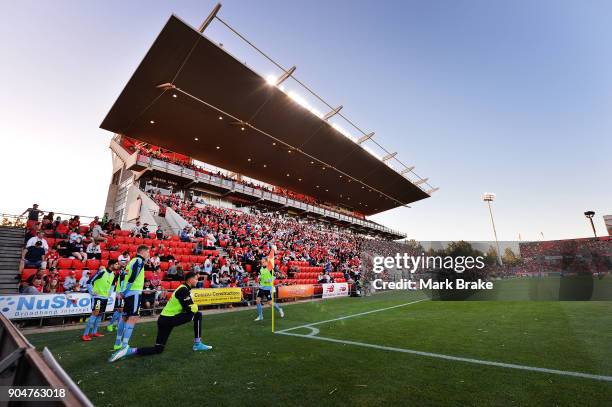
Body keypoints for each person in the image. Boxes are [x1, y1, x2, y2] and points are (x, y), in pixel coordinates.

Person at [109, 271, 212, 362]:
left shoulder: (184, 289)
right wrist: (194, 306)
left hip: (163, 319)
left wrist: (192, 306)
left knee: (158, 349)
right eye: (196, 278)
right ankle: (197, 344)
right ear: (190, 280)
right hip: (169, 319)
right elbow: (190, 309)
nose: (197, 280)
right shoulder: (183, 290)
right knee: (198, 314)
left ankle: (128, 351)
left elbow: (187, 307)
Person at [112, 245, 150, 350]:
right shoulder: (139, 261)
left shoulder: (132, 261)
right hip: (134, 293)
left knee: (124, 317)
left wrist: (121, 291)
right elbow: (133, 277)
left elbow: (122, 276)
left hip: (128, 294)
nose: (148, 254)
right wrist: (125, 290)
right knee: (132, 317)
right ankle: (124, 345)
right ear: (143, 252)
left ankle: (117, 343)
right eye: (148, 252)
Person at [82, 265, 115, 341]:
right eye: (101, 268)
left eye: (103, 268)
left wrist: (110, 292)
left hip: (105, 298)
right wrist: (92, 292)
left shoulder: (112, 274)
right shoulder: (99, 274)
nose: (102, 269)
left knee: (100, 315)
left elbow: (113, 284)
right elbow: (89, 282)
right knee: (94, 315)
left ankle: (94, 332)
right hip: (97, 298)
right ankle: (85, 334)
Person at [254, 257, 284, 321]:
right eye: (261, 262)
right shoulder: (261, 268)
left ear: (267, 262)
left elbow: (276, 276)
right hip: (261, 287)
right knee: (258, 301)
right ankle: (260, 316)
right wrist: (259, 278)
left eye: (263, 262)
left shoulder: (270, 269)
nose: (262, 263)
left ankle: (279, 309)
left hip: (267, 288)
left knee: (270, 303)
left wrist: (269, 280)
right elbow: (260, 275)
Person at [106, 260, 125, 336]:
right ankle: (110, 324)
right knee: (120, 310)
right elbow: (113, 284)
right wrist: (115, 292)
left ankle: (118, 325)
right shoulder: (117, 275)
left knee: (122, 310)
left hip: (124, 293)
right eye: (122, 269)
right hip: (119, 293)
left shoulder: (126, 275)